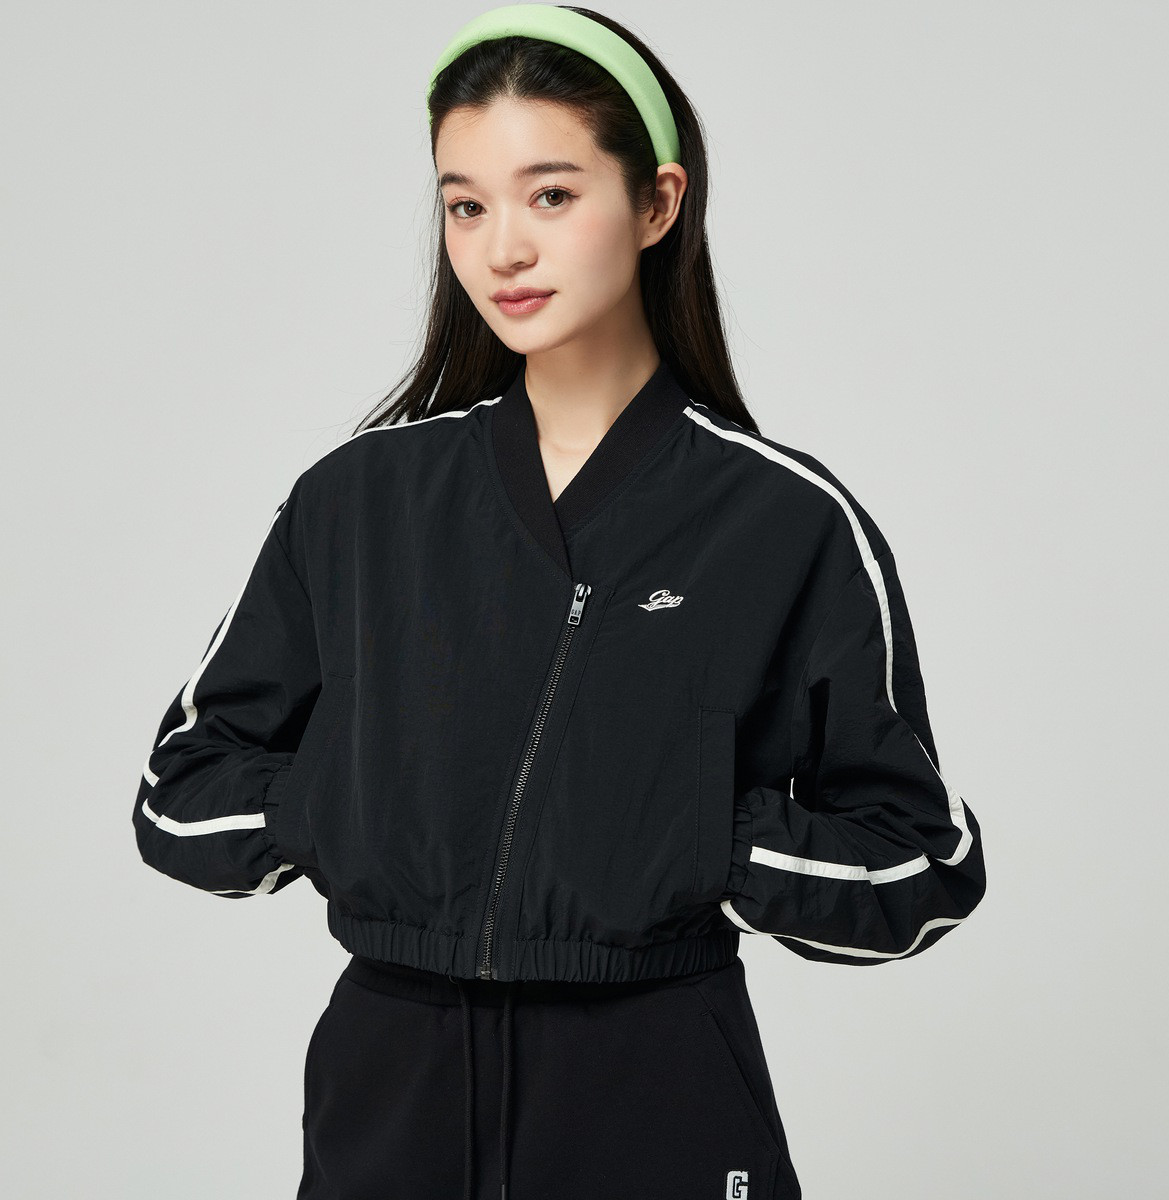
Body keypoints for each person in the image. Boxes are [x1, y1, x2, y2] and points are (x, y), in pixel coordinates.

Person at [131, 6, 987, 1199]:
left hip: (658, 1098)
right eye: (465, 205)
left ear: (657, 203)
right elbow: (179, 795)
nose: (503, 250)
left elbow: (921, 865)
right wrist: (341, 808)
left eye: (550, 195)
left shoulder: (782, 521)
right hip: (389, 1103)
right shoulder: (360, 502)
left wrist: (697, 840)